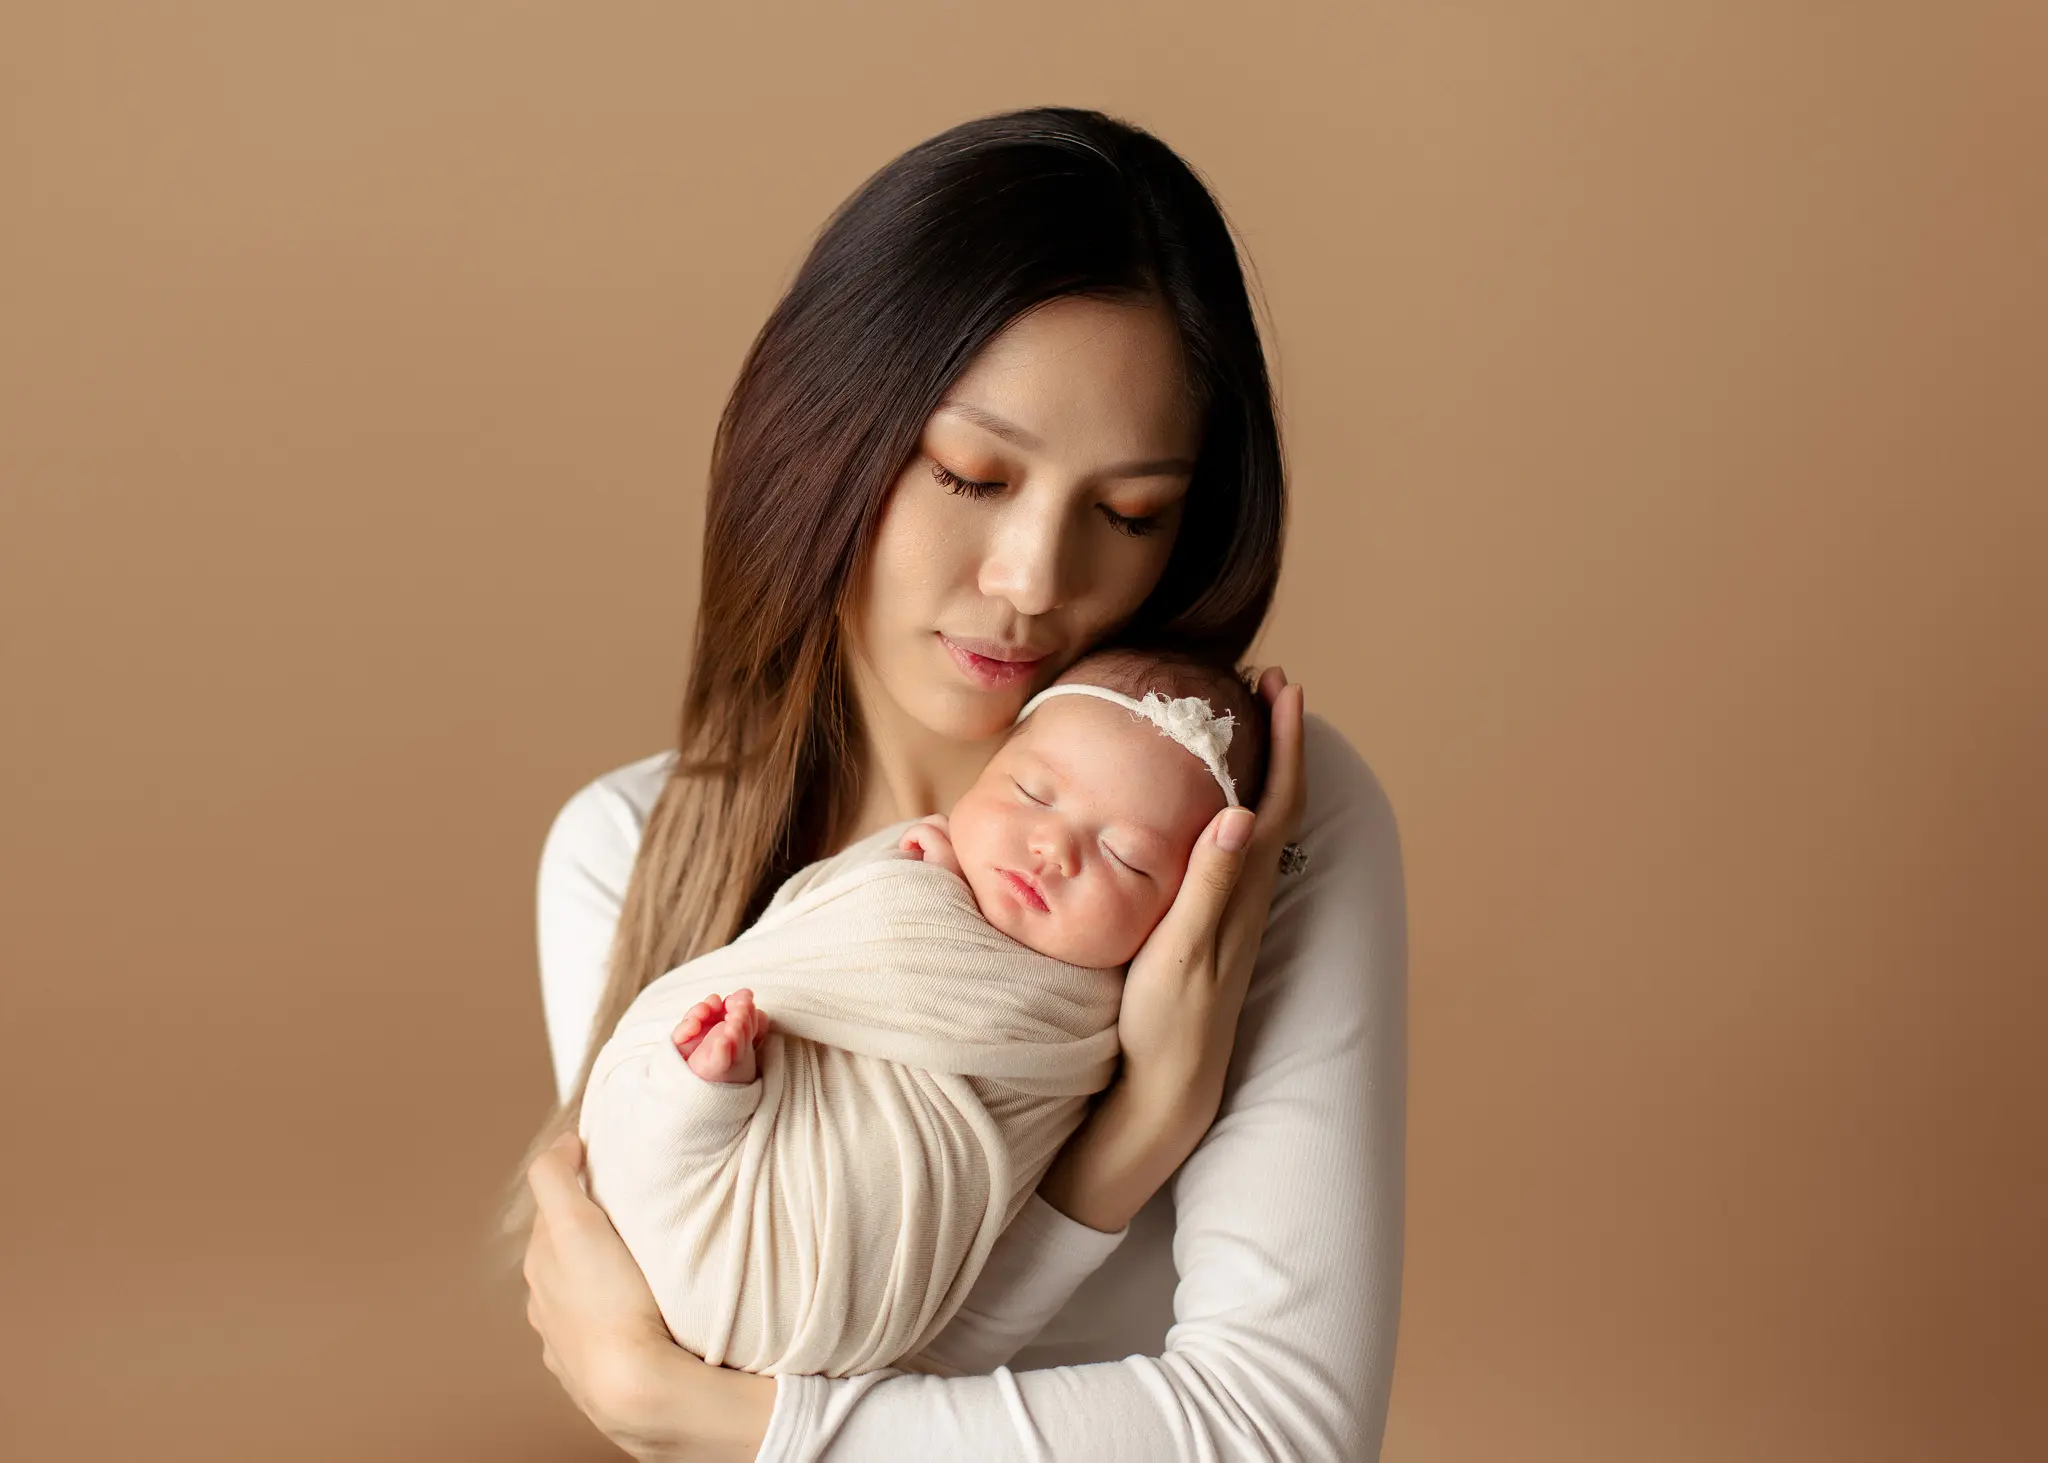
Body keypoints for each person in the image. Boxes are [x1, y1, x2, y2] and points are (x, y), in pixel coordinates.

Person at [514, 105, 1407, 1462]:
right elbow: (771, 1320)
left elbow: (1278, 1435)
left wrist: (693, 1408)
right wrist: (1124, 1143)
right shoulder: (631, 847)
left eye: (1129, 512)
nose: (1034, 578)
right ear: (824, 436)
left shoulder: (1243, 825)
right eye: (971, 475)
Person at [575, 651, 1271, 1379]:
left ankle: (708, 1099)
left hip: (820, 1284)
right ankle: (704, 1098)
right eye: (1032, 793)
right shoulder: (628, 835)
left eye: (1125, 857)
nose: (1054, 848)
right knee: (710, 1056)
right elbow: (802, 954)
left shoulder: (1091, 1013)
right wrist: (910, 890)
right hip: (697, 1174)